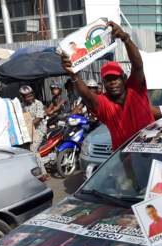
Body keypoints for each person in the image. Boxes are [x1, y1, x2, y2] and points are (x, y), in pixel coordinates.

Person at [60, 21, 154, 150]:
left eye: (116, 78)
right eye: (108, 80)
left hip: (152, 149)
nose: (112, 82)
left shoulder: (135, 89)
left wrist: (125, 38)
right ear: (103, 84)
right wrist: (74, 75)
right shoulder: (104, 103)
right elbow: (87, 96)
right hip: (126, 160)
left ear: (124, 78)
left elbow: (138, 65)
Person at [19, 85, 45, 152]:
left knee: (32, 150)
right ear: (22, 97)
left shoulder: (38, 103)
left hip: (38, 131)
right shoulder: (21, 106)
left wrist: (27, 126)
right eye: (28, 97)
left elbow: (38, 119)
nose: (31, 98)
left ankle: (39, 162)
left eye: (31, 95)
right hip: (26, 132)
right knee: (22, 150)